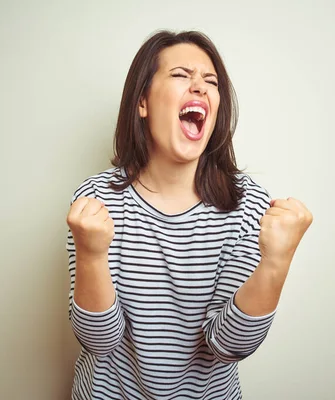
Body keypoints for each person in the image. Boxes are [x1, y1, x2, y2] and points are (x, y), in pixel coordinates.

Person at [65, 30, 313, 400]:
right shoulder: (97, 201)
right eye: (181, 75)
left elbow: (227, 345)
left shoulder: (248, 207)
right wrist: (91, 254)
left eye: (210, 81)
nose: (199, 86)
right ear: (143, 102)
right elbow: (99, 341)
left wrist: (275, 264)